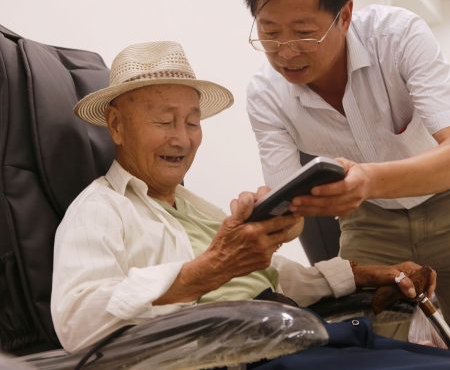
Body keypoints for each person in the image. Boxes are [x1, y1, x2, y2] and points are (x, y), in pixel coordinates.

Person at [51, 41, 436, 364]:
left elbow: (268, 278)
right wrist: (209, 269)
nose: (183, 139)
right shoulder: (99, 209)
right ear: (116, 125)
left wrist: (365, 275)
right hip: (258, 354)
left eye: (192, 122)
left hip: (313, 334)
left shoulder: (196, 207)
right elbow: (76, 322)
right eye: (165, 121)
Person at [243, 0, 450, 327]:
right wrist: (265, 218)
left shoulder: (398, 36)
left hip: (445, 198)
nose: (285, 51)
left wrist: (368, 180)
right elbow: (291, 207)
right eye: (269, 33)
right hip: (370, 221)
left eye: (304, 32)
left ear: (345, 14)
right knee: (372, 341)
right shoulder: (265, 96)